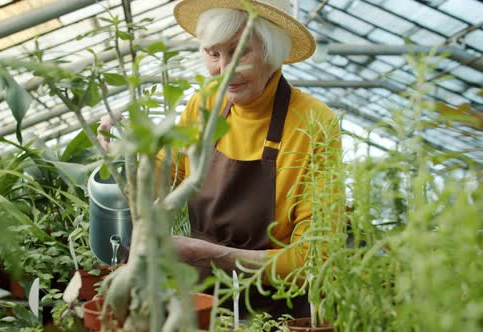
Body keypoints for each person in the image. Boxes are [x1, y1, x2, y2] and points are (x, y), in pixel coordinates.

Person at [99, 0, 340, 318]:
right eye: (213, 53)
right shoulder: (206, 102)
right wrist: (128, 153)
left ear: (272, 51)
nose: (224, 71)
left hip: (272, 308)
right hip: (198, 298)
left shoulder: (313, 122)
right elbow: (163, 174)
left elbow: (313, 258)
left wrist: (208, 253)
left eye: (240, 53)